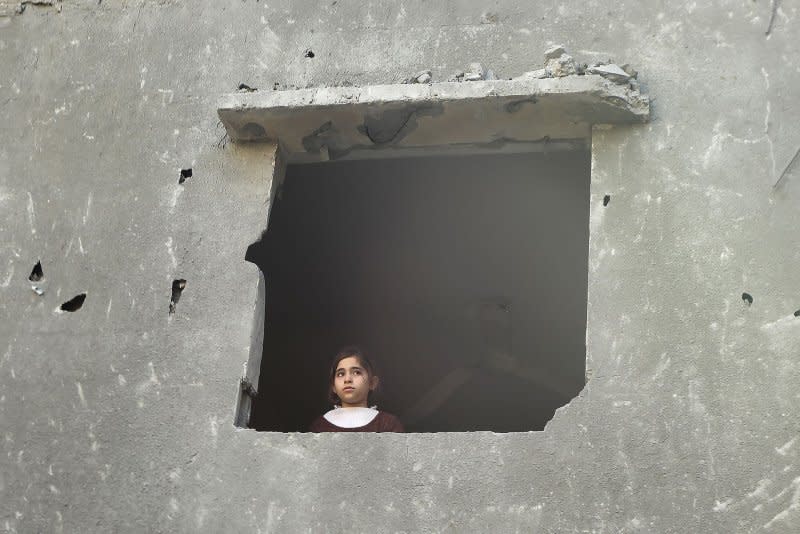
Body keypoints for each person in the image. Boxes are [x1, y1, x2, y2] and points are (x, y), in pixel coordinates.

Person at [309, 346, 404, 432]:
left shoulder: (387, 424)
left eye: (356, 372)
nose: (347, 379)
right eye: (340, 374)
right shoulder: (320, 426)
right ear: (333, 386)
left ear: (372, 383)